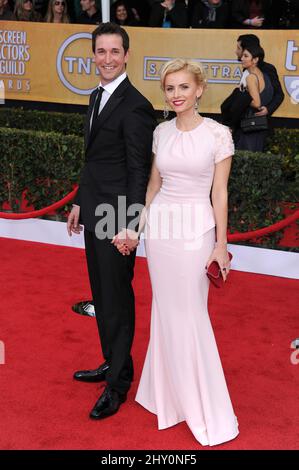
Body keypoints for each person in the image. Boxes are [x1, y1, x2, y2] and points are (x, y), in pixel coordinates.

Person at [115, 58, 239, 446]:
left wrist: (220, 244)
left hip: (196, 232)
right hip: (163, 232)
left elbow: (219, 193)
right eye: (170, 88)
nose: (176, 95)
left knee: (190, 314)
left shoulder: (219, 135)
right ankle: (163, 393)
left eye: (184, 87)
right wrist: (136, 227)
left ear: (199, 89)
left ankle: (204, 405)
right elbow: (153, 185)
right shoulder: (161, 132)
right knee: (166, 311)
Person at [67, 22, 156, 420]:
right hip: (96, 207)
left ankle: (118, 385)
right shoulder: (96, 95)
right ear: (93, 55)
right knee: (102, 295)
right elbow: (95, 159)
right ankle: (112, 361)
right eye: (100, 52)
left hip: (118, 215)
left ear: (126, 54)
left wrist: (132, 224)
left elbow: (140, 169)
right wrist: (81, 203)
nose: (106, 59)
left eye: (114, 52)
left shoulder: (135, 105)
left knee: (117, 299)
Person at [235, 43, 273, 151]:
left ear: (255, 60)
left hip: (250, 127)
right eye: (242, 56)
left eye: (246, 56)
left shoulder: (251, 78)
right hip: (260, 127)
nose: (241, 58)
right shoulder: (264, 75)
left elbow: (256, 103)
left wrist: (242, 95)